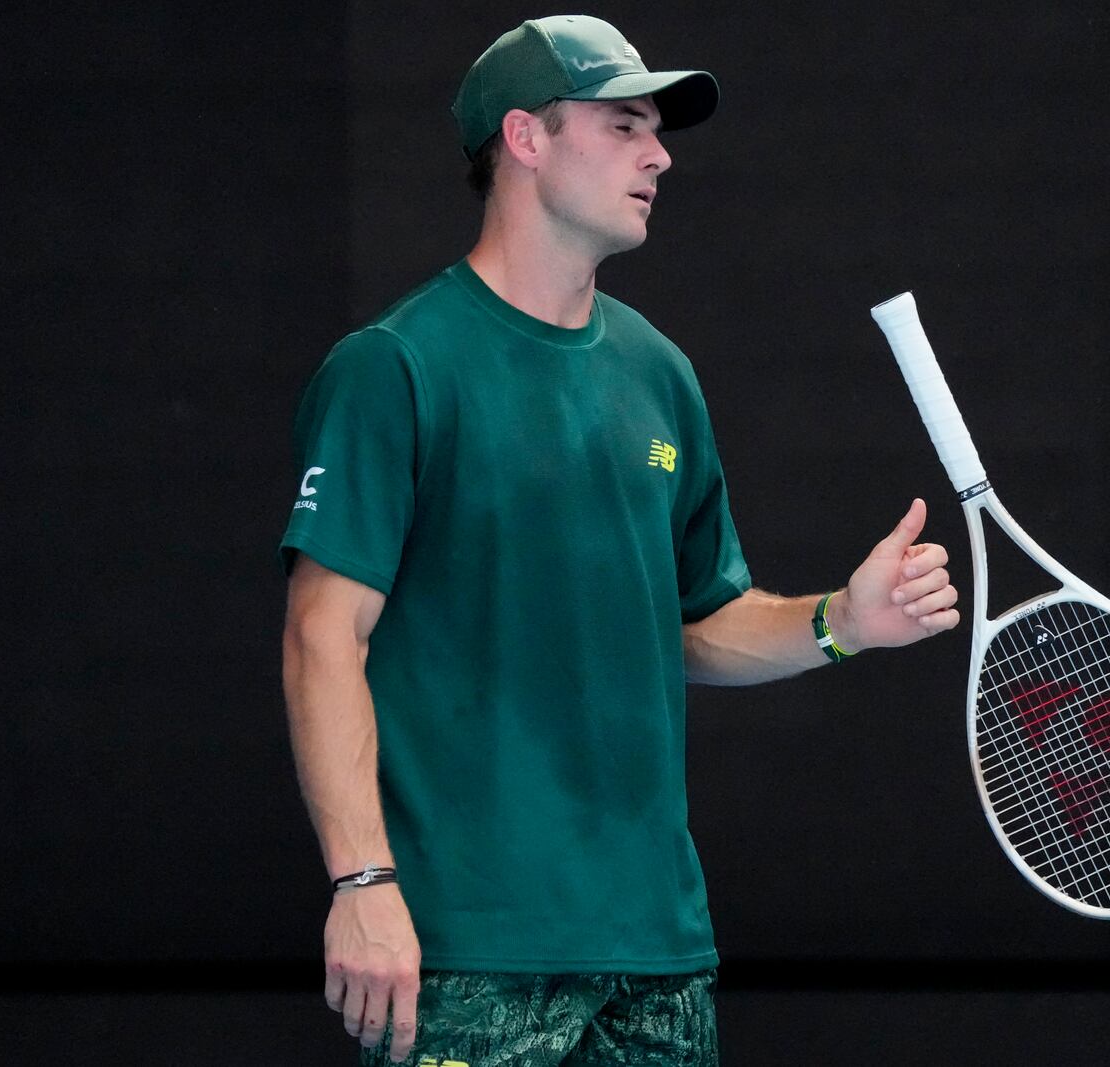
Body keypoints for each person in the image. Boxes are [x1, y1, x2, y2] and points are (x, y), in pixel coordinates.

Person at [280, 14, 960, 1066]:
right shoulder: (395, 368)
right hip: (467, 955)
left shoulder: (657, 372)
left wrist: (839, 622)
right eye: (625, 123)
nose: (660, 154)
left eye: (659, 131)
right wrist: (362, 882)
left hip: (659, 955)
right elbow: (322, 635)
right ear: (525, 137)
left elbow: (689, 624)